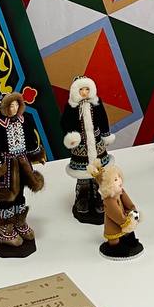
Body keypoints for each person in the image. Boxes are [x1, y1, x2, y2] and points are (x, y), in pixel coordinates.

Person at [0, 92, 45, 257]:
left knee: (21, 193)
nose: (15, 108)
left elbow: (31, 140)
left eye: (17, 104)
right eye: (11, 105)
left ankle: (19, 221)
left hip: (23, 163)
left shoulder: (25, 120)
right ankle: (3, 229)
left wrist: (38, 155)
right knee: (7, 196)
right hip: (7, 166)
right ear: (3, 108)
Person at [62, 76, 114, 224]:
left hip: (96, 143)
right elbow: (65, 122)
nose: (84, 92)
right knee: (83, 172)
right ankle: (82, 195)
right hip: (81, 145)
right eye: (81, 90)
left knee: (99, 171)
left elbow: (103, 119)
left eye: (87, 89)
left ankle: (99, 195)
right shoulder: (71, 106)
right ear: (75, 91)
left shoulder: (96, 103)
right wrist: (71, 136)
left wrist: (106, 134)